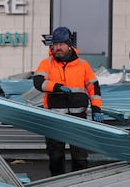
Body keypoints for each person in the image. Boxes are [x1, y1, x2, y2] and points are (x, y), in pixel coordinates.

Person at [33, 27, 104, 176]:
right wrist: (56, 86)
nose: (58, 47)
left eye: (61, 44)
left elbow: (93, 87)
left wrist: (96, 108)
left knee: (80, 158)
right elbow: (38, 82)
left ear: (69, 44)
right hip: (54, 118)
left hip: (78, 119)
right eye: (55, 44)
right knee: (55, 157)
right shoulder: (47, 63)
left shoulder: (82, 65)